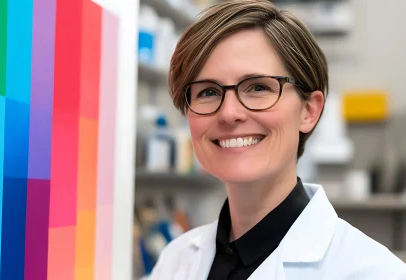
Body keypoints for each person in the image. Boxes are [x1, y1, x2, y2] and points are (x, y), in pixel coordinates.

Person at [148, 0, 406, 279]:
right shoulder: (175, 259)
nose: (229, 113)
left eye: (258, 87)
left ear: (309, 110)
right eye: (208, 92)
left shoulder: (376, 273)